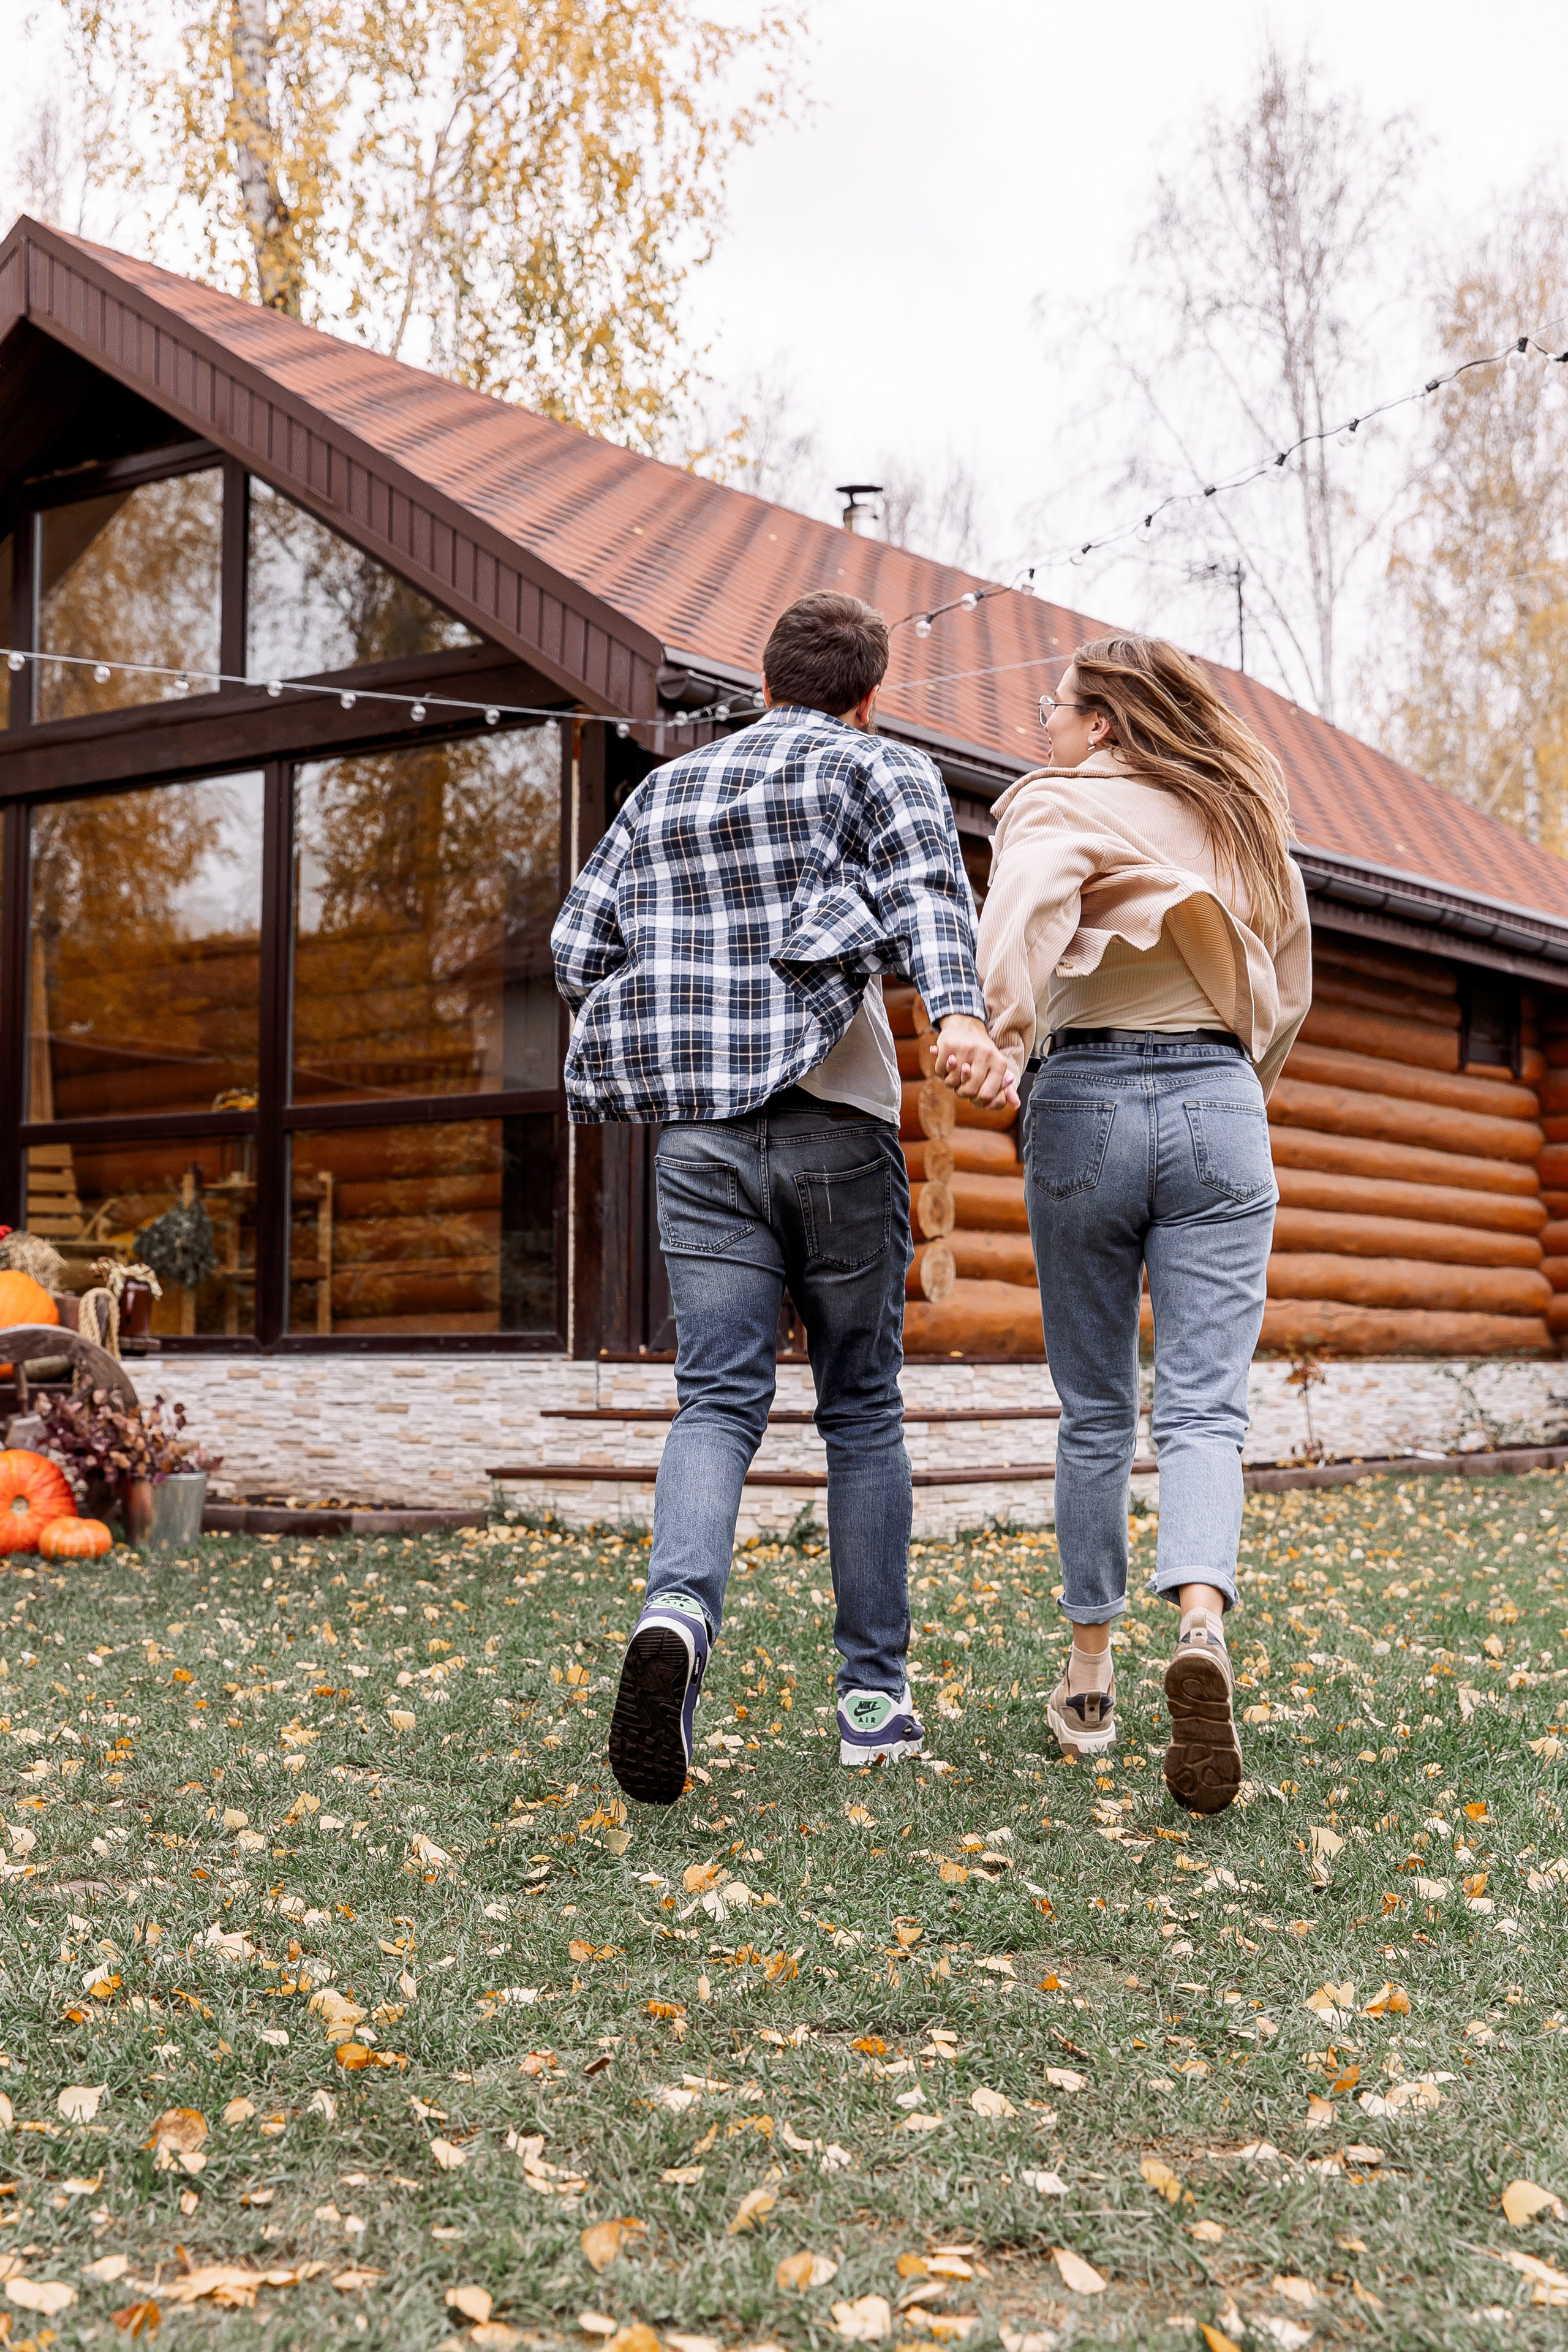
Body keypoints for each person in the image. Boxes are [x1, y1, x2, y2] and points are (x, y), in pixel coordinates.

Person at [552, 590, 1015, 1807]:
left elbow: (572, 951)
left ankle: (674, 1620)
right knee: (859, 1410)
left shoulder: (661, 791)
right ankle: (872, 1708)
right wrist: (956, 1020)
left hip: (697, 1138)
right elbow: (928, 895)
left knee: (713, 1406)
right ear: (868, 696)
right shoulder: (882, 765)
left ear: (761, 687)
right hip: (834, 1127)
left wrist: (671, 997)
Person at [976, 633, 1310, 1814]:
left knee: (1097, 1407)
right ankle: (1205, 1628)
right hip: (1224, 1096)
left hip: (1085, 1102)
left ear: (1105, 723)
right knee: (1208, 1404)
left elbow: (1022, 905)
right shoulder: (1239, 809)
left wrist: (999, 1028)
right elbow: (1290, 976)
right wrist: (1231, 1085)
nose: (1042, 722)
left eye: (1058, 705)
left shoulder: (1058, 802)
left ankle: (1089, 1674)